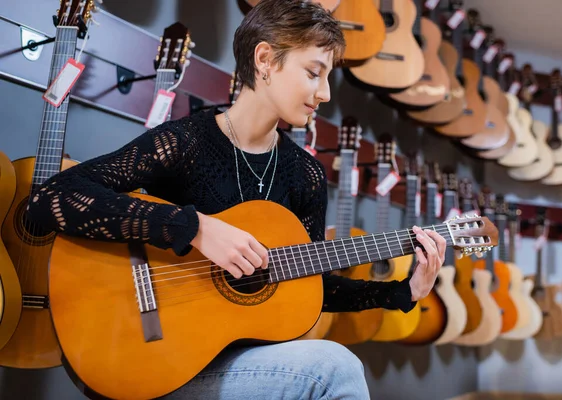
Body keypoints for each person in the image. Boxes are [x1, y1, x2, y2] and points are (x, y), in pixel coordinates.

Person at [27, 0, 447, 398]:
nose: (325, 94)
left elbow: (309, 285)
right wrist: (193, 228)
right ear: (265, 60)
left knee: (330, 366)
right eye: (314, 73)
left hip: (242, 362)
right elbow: (51, 197)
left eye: (328, 77)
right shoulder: (186, 143)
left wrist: (401, 293)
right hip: (155, 355)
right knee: (335, 368)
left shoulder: (306, 175)